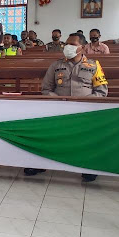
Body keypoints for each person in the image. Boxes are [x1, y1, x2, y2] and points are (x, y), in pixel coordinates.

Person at [27, 33, 108, 182]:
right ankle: (41, 163)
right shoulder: (56, 65)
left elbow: (101, 92)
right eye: (67, 44)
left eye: (73, 45)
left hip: (85, 110)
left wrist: (82, 103)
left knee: (88, 136)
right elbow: (46, 89)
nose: (68, 47)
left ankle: (88, 166)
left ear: (82, 48)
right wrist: (59, 101)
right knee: (45, 131)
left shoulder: (94, 66)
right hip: (58, 109)